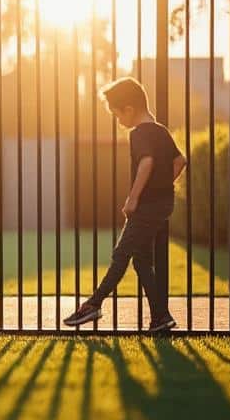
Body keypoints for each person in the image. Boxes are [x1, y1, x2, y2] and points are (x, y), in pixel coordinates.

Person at [64, 77, 185, 332]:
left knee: (121, 254)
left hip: (146, 206)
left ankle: (93, 304)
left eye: (117, 114)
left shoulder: (139, 133)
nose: (118, 120)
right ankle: (160, 317)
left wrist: (133, 198)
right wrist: (162, 186)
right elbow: (180, 161)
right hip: (163, 204)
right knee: (140, 260)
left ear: (129, 109)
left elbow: (147, 162)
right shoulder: (161, 130)